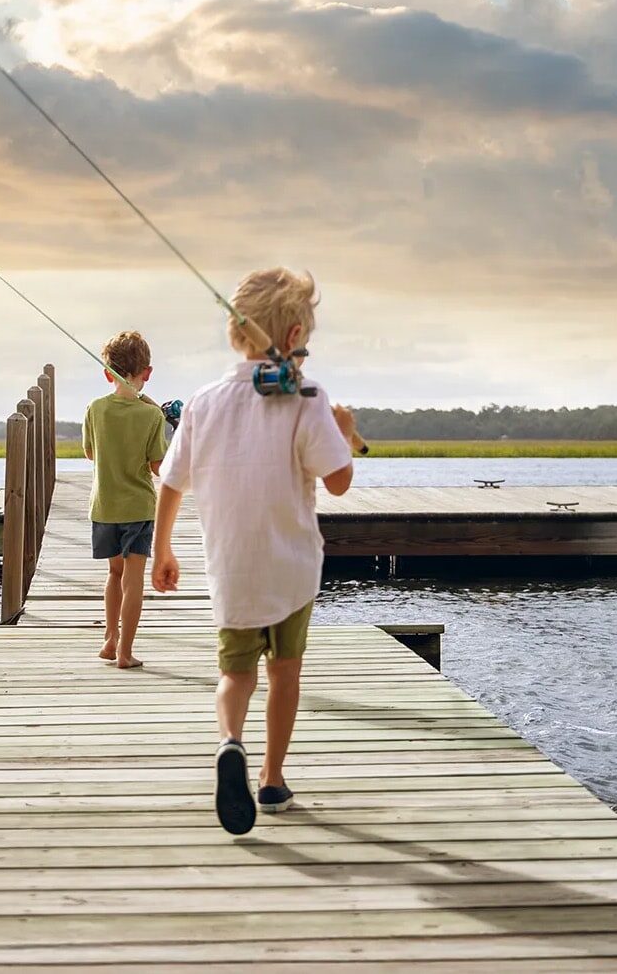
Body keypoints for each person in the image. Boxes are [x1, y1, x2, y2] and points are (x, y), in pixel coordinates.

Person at [151, 268, 363, 834]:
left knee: (234, 675)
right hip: (290, 568)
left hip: (231, 568)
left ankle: (230, 744)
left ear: (234, 333)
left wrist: (161, 550)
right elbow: (338, 482)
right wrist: (346, 432)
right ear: (295, 336)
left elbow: (172, 482)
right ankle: (271, 780)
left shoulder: (202, 401)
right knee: (284, 673)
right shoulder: (307, 401)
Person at [82, 329, 167, 670]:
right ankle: (125, 653)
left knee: (114, 574)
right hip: (138, 508)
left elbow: (90, 454)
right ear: (147, 372)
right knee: (134, 581)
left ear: (108, 373)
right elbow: (158, 466)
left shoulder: (95, 409)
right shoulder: (152, 416)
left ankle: (110, 639)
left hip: (104, 507)